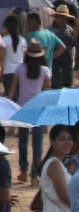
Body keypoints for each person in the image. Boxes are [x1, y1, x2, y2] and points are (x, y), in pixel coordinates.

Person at [9, 40, 49, 185]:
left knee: (23, 141)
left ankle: (24, 172)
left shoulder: (19, 69)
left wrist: (8, 105)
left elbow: (12, 90)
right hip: (38, 108)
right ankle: (34, 175)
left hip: (22, 108)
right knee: (38, 142)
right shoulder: (45, 70)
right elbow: (46, 92)